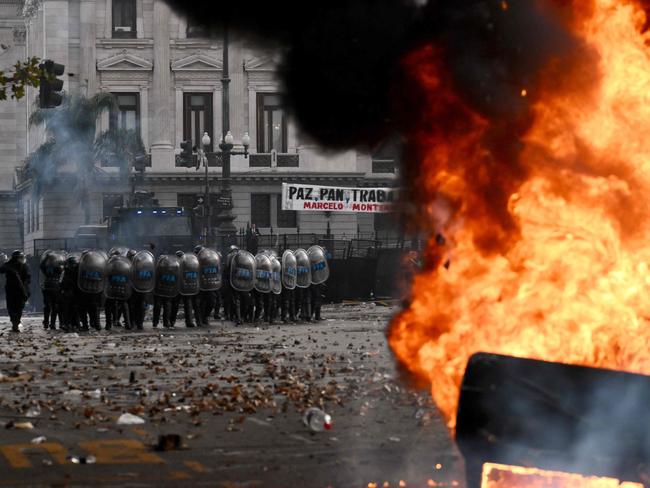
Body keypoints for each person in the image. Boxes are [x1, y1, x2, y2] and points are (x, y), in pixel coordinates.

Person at [0, 251, 31, 332]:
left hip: (19, 290)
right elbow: (1, 269)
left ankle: (16, 322)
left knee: (17, 307)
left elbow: (28, 278)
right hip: (12, 290)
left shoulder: (24, 266)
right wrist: (10, 270)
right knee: (13, 307)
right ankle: (15, 322)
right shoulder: (9, 265)